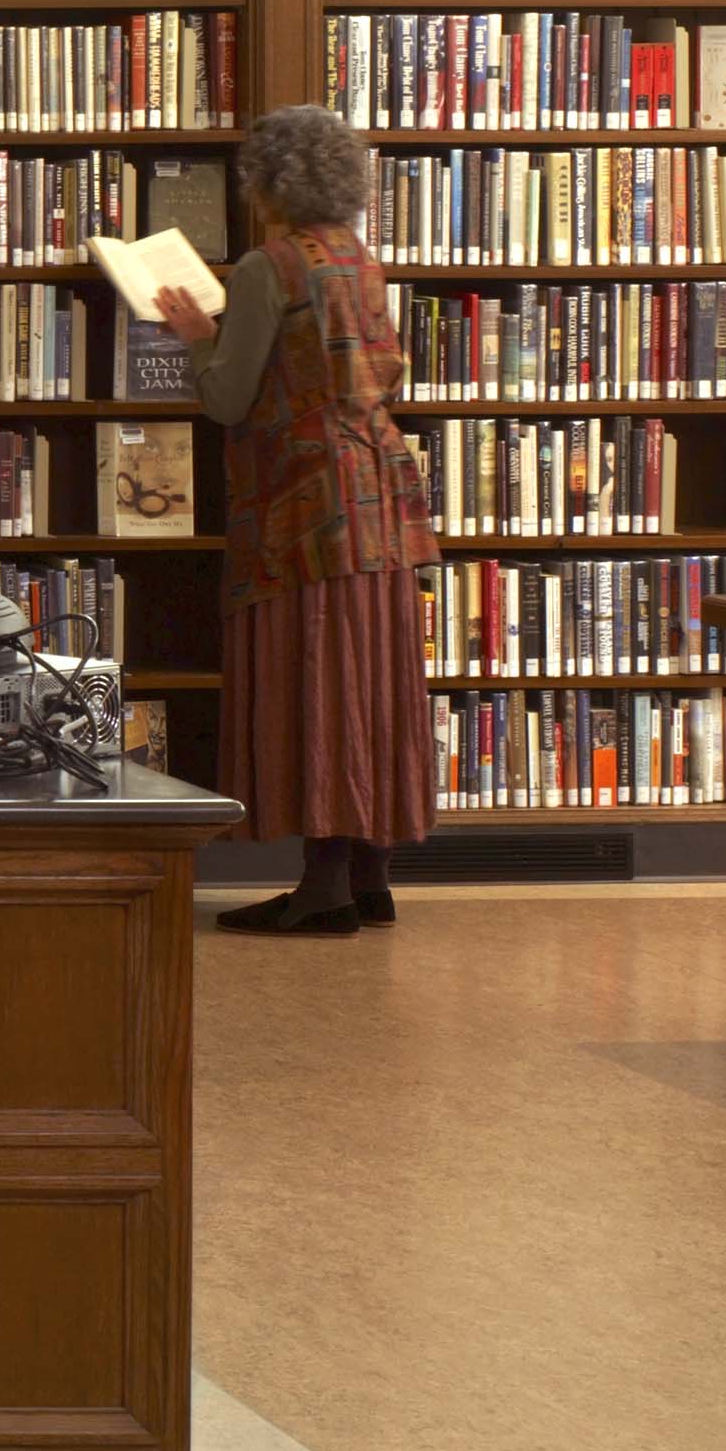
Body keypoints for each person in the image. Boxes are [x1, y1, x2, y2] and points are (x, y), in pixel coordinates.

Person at [150, 105, 437, 934]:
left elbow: (226, 399)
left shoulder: (266, 267)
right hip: (380, 503)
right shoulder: (360, 260)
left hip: (304, 510)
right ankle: (369, 877)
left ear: (269, 183)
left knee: (316, 681)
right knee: (374, 683)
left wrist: (197, 336)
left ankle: (321, 891)